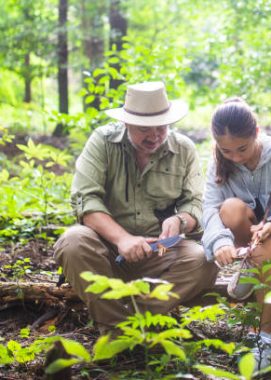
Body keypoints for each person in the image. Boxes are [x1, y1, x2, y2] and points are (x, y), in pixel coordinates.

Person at [54, 81, 218, 334]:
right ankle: (115, 329)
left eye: (161, 127)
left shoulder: (183, 149)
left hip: (159, 250)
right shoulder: (103, 142)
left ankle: (137, 323)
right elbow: (86, 200)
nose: (154, 136)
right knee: (73, 241)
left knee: (204, 259)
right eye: (144, 129)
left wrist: (180, 222)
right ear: (126, 123)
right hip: (105, 249)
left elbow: (195, 202)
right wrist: (123, 239)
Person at [202, 98, 271, 371]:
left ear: (256, 132)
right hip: (247, 243)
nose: (236, 157)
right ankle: (250, 267)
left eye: (242, 148)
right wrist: (219, 241)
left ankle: (267, 338)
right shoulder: (218, 162)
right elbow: (208, 209)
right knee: (229, 208)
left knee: (263, 250)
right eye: (227, 150)